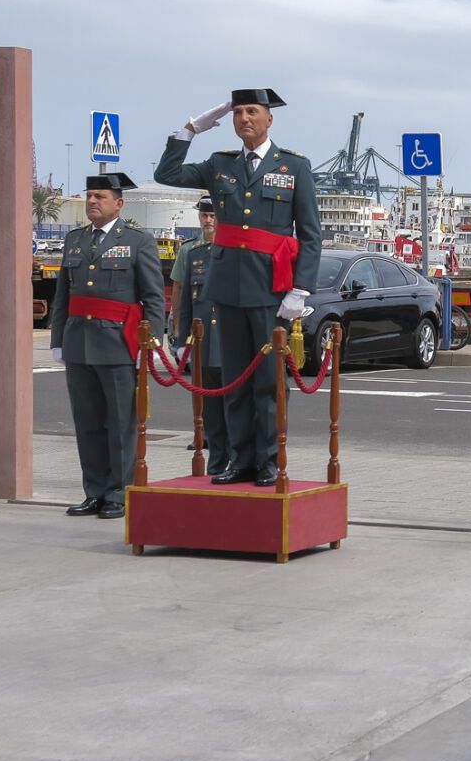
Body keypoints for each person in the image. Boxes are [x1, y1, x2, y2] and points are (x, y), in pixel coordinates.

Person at [154, 89, 321, 486]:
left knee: (267, 380)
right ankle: (239, 460)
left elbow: (310, 234)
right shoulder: (220, 164)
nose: (244, 118)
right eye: (238, 112)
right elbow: (167, 175)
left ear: (269, 119)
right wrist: (190, 130)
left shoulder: (294, 167)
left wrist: (300, 289)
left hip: (269, 289)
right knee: (234, 379)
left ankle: (267, 461)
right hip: (226, 286)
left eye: (252, 112)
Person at [47, 174, 165, 519]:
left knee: (120, 423)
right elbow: (62, 296)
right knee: (87, 423)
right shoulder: (75, 240)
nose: (92, 201)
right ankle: (94, 492)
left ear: (119, 203)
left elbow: (153, 297)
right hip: (78, 342)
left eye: (99, 196)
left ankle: (119, 493)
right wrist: (58, 340)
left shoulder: (138, 241)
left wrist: (150, 342)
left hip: (117, 344)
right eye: (89, 196)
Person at [171, 197, 233, 478]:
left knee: (234, 407)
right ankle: (217, 463)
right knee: (211, 411)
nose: (208, 221)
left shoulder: (237, 252)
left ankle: (238, 461)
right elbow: (185, 300)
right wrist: (181, 339)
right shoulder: (195, 254)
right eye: (204, 216)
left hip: (232, 344)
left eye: (213, 215)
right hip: (204, 345)